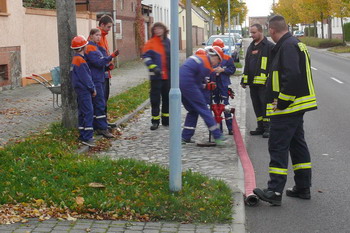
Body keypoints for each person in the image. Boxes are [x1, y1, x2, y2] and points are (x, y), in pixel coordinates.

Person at [253, 15, 318, 206]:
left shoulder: (287, 46)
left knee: (278, 146)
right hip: (296, 106)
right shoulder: (292, 44)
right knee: (297, 146)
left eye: (268, 31)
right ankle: (303, 187)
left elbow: (293, 76)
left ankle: (274, 191)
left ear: (272, 30)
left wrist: (282, 102)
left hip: (287, 107)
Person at [180, 46, 227, 146]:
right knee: (204, 109)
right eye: (218, 61)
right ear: (215, 57)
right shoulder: (206, 65)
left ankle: (185, 136)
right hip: (188, 84)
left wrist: (204, 85)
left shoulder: (199, 58)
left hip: (179, 84)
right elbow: (196, 82)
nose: (217, 64)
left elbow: (195, 79)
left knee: (193, 110)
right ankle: (218, 136)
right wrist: (206, 85)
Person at [241, 24, 274, 138]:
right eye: (251, 33)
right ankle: (260, 127)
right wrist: (244, 80)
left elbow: (274, 66)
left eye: (254, 32)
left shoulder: (269, 46)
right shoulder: (251, 46)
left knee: (266, 106)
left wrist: (270, 81)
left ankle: (268, 127)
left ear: (261, 32)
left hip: (265, 84)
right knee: (257, 106)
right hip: (253, 84)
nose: (252, 35)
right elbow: (247, 65)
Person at [85, 28, 119, 139]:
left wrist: (107, 66)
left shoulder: (96, 47)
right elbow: (98, 62)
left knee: (100, 103)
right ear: (90, 36)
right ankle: (102, 128)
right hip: (95, 79)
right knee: (99, 104)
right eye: (96, 35)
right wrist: (111, 57)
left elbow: (100, 63)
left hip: (98, 78)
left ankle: (101, 125)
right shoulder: (90, 48)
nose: (99, 37)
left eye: (100, 35)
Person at [142, 22, 171, 130]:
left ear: (164, 30)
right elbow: (146, 57)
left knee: (167, 99)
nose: (158, 31)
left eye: (160, 29)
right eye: (156, 29)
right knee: (155, 100)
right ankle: (155, 121)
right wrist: (154, 67)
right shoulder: (150, 43)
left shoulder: (168, 42)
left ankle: (166, 120)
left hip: (167, 76)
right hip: (156, 76)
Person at [70, 35, 96, 147]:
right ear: (82, 48)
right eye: (85, 46)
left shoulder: (75, 59)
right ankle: (87, 137)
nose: (87, 48)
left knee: (82, 112)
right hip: (84, 90)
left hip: (79, 90)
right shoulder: (80, 60)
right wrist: (92, 89)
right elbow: (86, 78)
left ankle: (82, 133)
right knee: (89, 112)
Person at [211, 38, 236, 135]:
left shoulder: (227, 58)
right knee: (215, 107)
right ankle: (218, 129)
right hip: (214, 85)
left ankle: (230, 128)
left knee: (225, 106)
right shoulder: (210, 58)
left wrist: (223, 71)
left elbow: (232, 70)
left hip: (223, 85)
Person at [97, 15, 116, 128]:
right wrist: (107, 63)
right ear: (102, 25)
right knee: (101, 99)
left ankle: (104, 122)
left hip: (105, 72)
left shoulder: (103, 36)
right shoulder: (99, 36)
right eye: (108, 27)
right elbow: (99, 57)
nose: (109, 29)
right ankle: (101, 125)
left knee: (105, 98)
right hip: (101, 73)